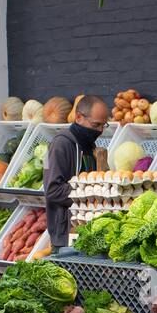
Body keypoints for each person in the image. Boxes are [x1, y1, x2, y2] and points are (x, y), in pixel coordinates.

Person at [44, 94, 109, 254]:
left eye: (103, 125)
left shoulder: (89, 146)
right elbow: (53, 191)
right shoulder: (60, 145)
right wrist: (90, 190)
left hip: (87, 232)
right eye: (96, 125)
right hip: (67, 235)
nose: (100, 130)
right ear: (79, 118)